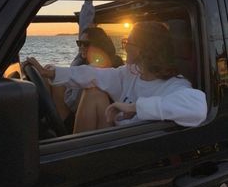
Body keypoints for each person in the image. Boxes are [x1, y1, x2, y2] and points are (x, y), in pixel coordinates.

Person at [26, 21, 207, 134]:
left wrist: (134, 107)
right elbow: (95, 73)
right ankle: (75, 155)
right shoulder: (131, 73)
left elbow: (197, 107)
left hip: (134, 153)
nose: (124, 46)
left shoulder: (175, 85)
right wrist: (54, 72)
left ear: (144, 50)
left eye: (128, 42)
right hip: (114, 139)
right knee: (93, 92)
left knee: (93, 94)